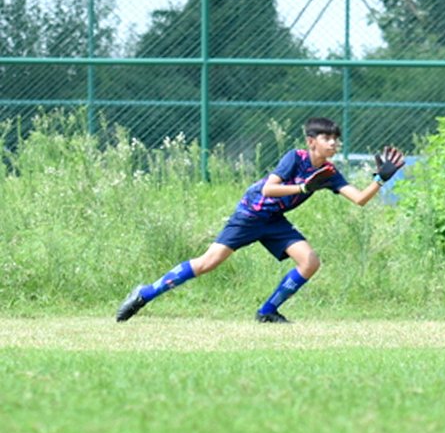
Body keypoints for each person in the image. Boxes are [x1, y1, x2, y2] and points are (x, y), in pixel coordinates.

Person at [115, 117, 404, 324]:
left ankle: (267, 312)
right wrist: (302, 188)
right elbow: (269, 188)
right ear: (311, 142)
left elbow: (360, 199)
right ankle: (145, 293)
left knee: (310, 262)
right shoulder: (295, 157)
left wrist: (380, 179)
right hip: (250, 214)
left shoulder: (328, 171)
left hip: (274, 219)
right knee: (207, 263)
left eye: (336, 139)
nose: (333, 143)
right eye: (327, 138)